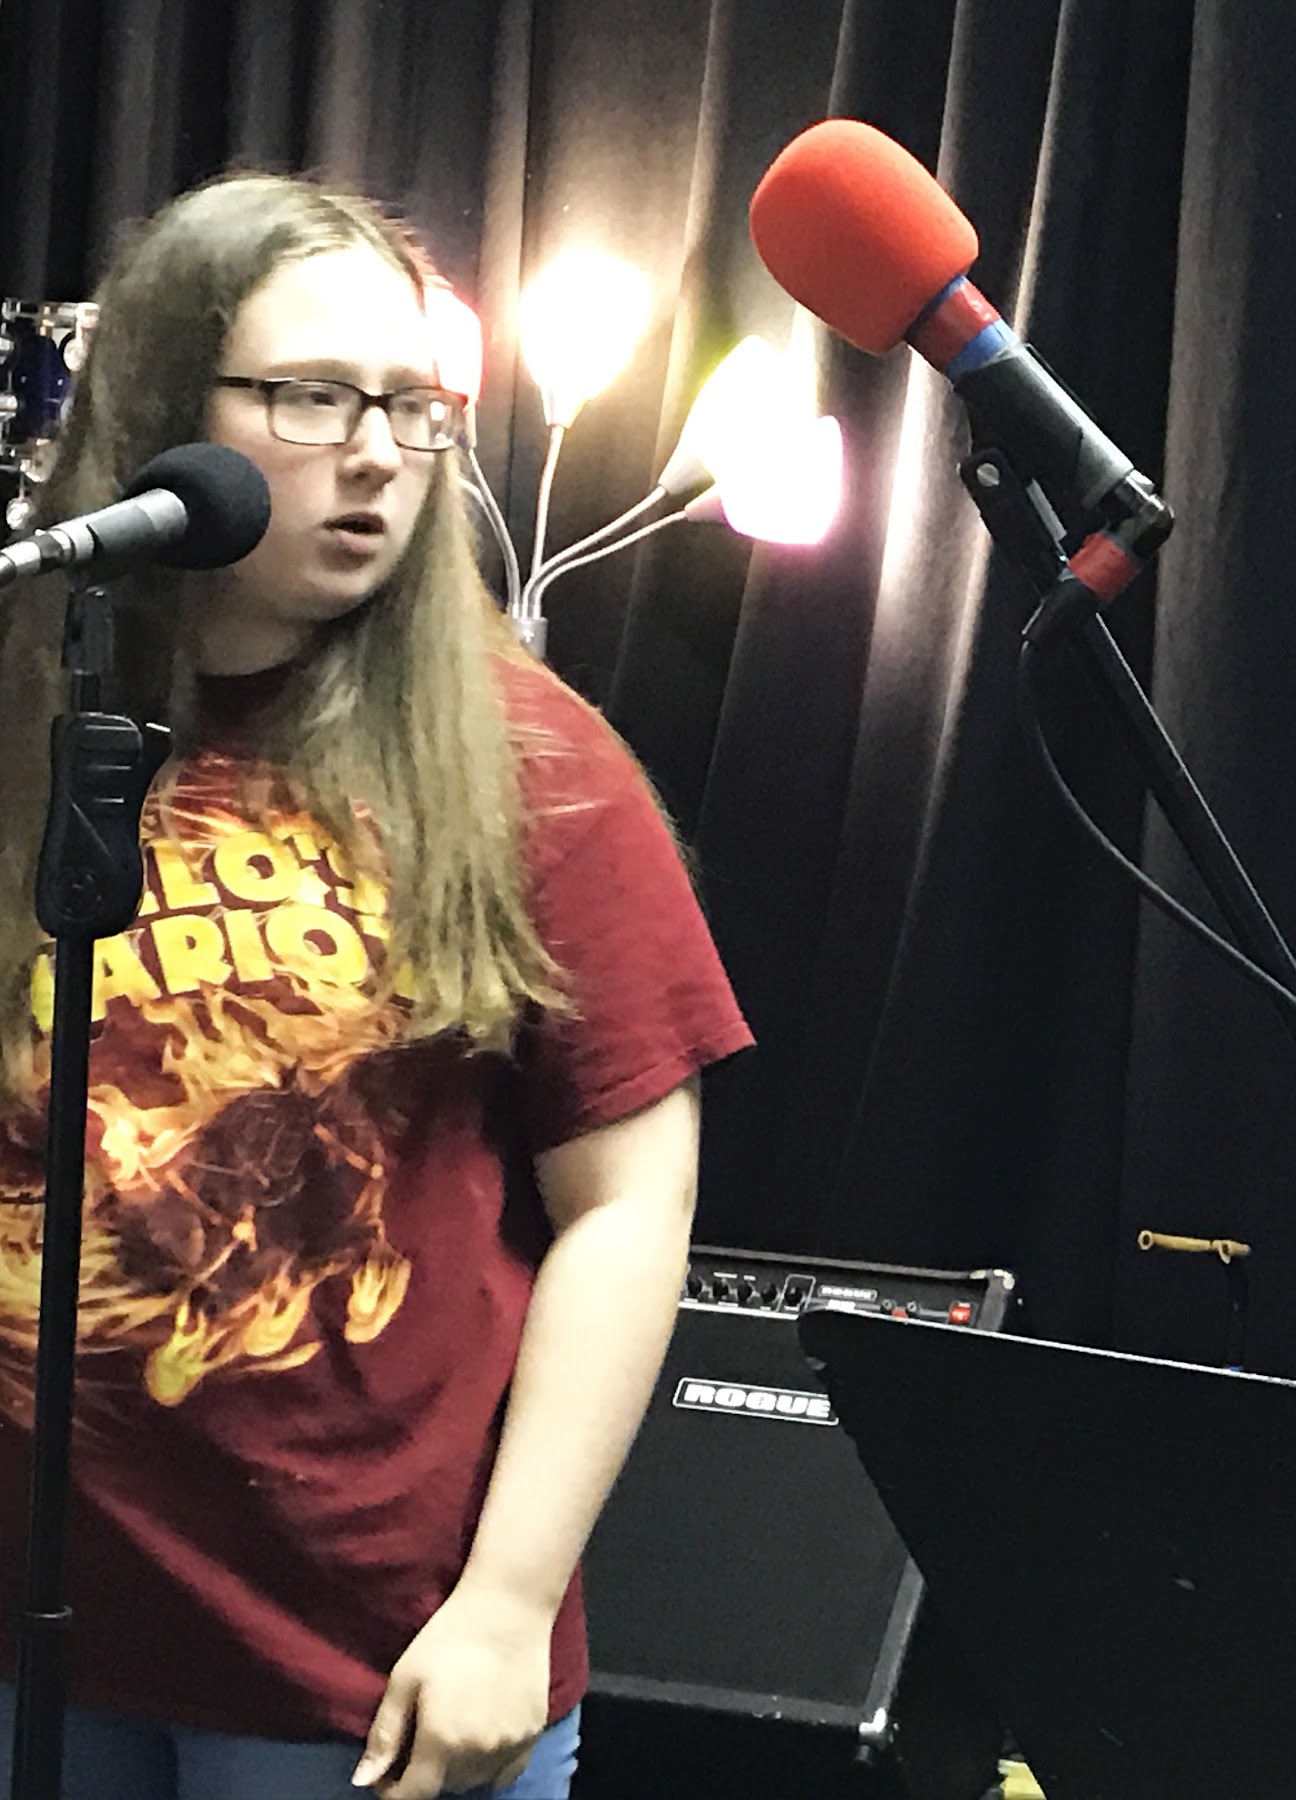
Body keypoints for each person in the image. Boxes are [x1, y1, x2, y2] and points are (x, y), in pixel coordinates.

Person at [0, 174, 751, 1798]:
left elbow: (631, 1206)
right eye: (313, 396)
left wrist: (508, 1604)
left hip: (360, 1667)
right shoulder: (26, 727)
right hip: (37, 1635)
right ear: (160, 404)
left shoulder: (527, 759)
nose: (377, 452)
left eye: (413, 405)